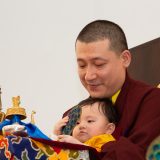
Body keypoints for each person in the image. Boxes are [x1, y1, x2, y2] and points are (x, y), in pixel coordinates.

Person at [62, 20, 160, 159]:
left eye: (99, 64)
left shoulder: (153, 102)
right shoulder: (72, 117)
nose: (89, 76)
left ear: (125, 59)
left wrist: (92, 148)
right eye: (82, 66)